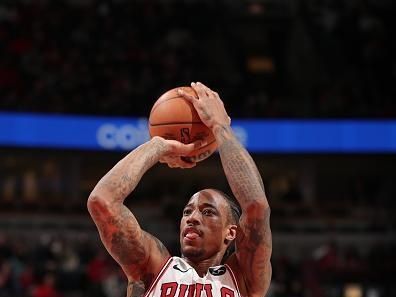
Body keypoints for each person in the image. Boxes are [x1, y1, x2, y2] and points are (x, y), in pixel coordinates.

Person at [87, 82, 272, 297]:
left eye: (208, 211)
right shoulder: (152, 269)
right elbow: (102, 201)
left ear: (230, 232)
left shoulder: (242, 279)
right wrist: (158, 146)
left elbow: (257, 206)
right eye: (187, 211)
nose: (192, 218)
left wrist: (220, 127)